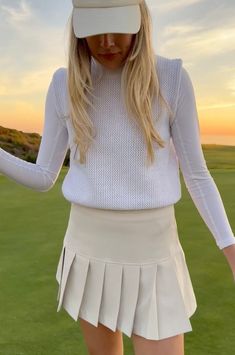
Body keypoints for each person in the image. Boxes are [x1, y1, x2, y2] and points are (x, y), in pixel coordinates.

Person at [0, 0, 235, 354]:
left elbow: (197, 175)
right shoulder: (63, 84)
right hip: (88, 251)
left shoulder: (171, 78)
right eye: (95, 28)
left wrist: (230, 248)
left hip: (155, 253)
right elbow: (44, 175)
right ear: (77, 27)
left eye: (117, 26)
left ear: (140, 20)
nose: (107, 41)